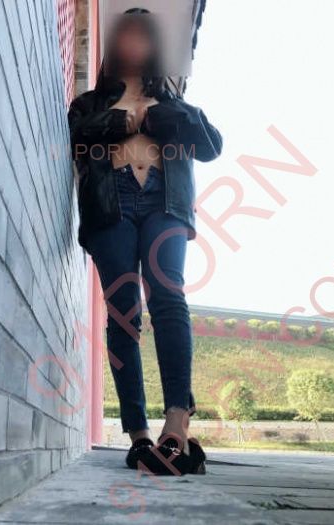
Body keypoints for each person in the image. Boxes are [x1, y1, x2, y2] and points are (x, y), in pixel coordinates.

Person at [68, 8, 222, 475]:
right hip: (110, 204)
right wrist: (125, 122)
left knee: (169, 296)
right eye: (127, 35)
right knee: (123, 313)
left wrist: (156, 113)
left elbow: (211, 145)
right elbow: (77, 133)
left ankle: (177, 422)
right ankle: (138, 434)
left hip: (164, 200)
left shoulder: (173, 104)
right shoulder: (90, 103)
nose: (134, 43)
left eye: (143, 36)